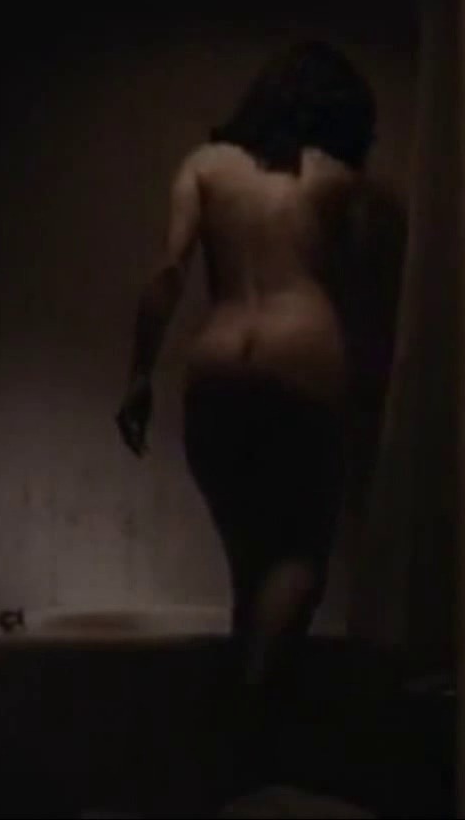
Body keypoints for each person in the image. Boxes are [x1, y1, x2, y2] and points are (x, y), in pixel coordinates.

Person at [114, 40, 400, 798]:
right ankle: (252, 730)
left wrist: (139, 377)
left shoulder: (205, 166)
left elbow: (167, 276)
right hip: (302, 357)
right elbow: (370, 301)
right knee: (302, 558)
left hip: (217, 369)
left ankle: (243, 756)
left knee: (249, 568)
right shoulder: (338, 182)